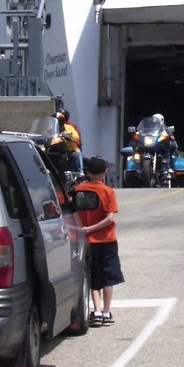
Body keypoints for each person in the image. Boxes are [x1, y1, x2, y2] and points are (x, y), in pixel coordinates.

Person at [75, 156, 124, 326]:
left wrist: (87, 230)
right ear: (105, 173)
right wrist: (93, 228)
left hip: (88, 241)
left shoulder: (78, 190)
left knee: (93, 277)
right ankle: (106, 311)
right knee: (108, 277)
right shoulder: (108, 191)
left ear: (87, 172)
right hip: (107, 240)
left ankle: (95, 310)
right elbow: (110, 218)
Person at [56, 108, 82, 173]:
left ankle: (79, 172)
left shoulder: (69, 127)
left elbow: (76, 137)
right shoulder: (52, 127)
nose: (59, 119)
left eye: (61, 118)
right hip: (55, 149)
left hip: (68, 150)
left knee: (75, 155)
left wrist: (68, 135)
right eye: (58, 117)